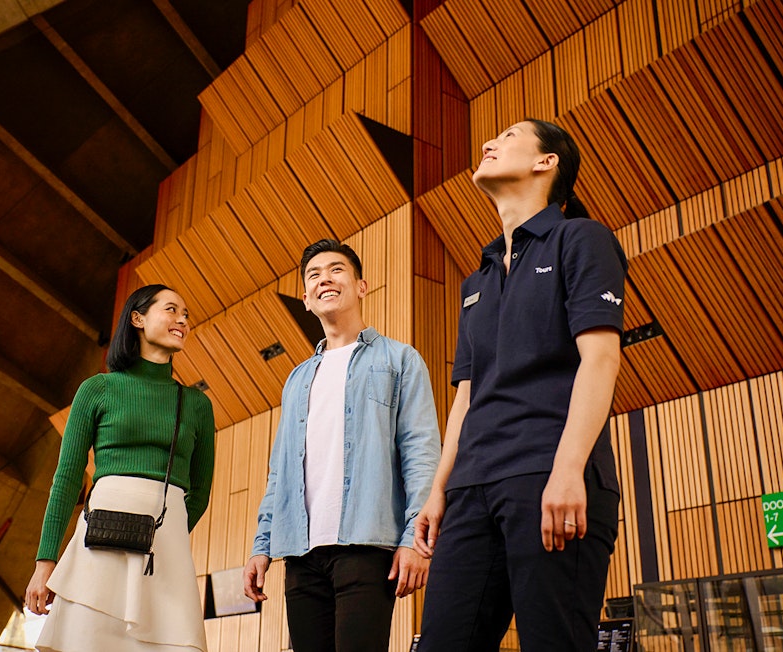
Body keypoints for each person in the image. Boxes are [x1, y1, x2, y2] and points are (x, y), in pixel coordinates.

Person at [414, 119, 628, 651]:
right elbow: (467, 395)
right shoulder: (477, 280)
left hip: (547, 474)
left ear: (546, 162)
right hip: (471, 489)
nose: (488, 143)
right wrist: (438, 490)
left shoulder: (582, 238)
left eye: (508, 137)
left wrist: (568, 469)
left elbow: (600, 359)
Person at [243, 239, 441, 652]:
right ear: (305, 298)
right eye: (313, 275)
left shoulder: (400, 360)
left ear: (361, 286)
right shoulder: (296, 379)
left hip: (367, 546)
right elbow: (279, 470)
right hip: (300, 553)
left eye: (336, 270)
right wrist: (262, 546)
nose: (324, 280)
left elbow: (421, 453)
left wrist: (414, 540)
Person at [25, 284, 215, 652]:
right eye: (172, 309)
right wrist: (45, 561)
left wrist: (167, 533)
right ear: (138, 318)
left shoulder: (196, 405)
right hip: (97, 546)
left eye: (187, 314)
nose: (183, 320)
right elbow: (66, 481)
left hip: (164, 555)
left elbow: (200, 492)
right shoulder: (97, 389)